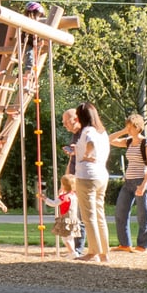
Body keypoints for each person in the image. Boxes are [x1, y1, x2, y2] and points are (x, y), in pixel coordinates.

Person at [109, 113, 147, 252]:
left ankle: (143, 245)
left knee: (143, 214)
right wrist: (124, 131)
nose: (128, 129)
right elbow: (109, 140)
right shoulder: (128, 141)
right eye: (127, 126)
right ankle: (125, 244)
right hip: (128, 182)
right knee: (120, 212)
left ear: (138, 127)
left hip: (141, 181)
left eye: (130, 127)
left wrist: (143, 185)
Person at [74, 102, 110, 263]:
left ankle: (94, 251)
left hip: (87, 175)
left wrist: (87, 154)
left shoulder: (88, 130)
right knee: (99, 214)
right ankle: (104, 252)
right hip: (102, 174)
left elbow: (90, 143)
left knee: (88, 216)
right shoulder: (103, 132)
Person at [62, 108, 86, 255]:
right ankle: (76, 247)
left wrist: (77, 151)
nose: (65, 125)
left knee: (81, 215)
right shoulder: (75, 136)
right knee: (74, 214)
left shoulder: (85, 134)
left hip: (83, 177)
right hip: (73, 179)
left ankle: (79, 248)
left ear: (75, 119)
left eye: (66, 122)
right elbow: (72, 159)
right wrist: (64, 181)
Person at [40, 174, 82, 259]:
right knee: (70, 237)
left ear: (64, 186)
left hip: (66, 219)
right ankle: (72, 252)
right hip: (73, 219)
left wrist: (44, 198)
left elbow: (54, 203)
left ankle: (73, 253)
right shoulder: (73, 195)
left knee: (65, 238)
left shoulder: (64, 197)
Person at [22, 1, 45, 93]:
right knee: (29, 63)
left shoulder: (36, 23)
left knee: (34, 64)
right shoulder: (27, 22)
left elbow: (36, 37)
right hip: (27, 44)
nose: (39, 18)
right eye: (38, 15)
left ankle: (32, 83)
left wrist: (39, 41)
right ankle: (26, 84)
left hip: (32, 45)